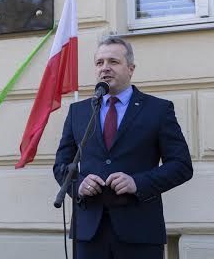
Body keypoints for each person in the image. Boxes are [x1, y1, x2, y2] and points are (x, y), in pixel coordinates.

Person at [53, 36, 192, 259]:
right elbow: (61, 165)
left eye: (113, 61)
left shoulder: (158, 110)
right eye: (99, 63)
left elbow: (181, 166)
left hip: (140, 231)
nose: (105, 68)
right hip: (88, 233)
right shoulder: (78, 112)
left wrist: (137, 183)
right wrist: (78, 185)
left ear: (131, 68)